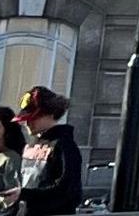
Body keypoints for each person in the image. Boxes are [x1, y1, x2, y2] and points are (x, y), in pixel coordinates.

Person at [12, 88, 85, 216]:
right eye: (26, 118)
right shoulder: (31, 144)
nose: (27, 122)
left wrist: (23, 194)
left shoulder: (65, 146)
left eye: (34, 117)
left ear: (51, 113)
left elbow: (67, 190)